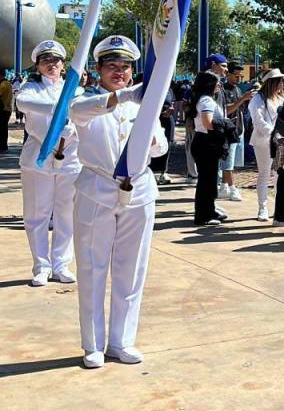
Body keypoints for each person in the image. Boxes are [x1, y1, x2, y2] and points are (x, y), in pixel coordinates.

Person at [69, 35, 167, 368]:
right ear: (98, 70)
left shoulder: (144, 105)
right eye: (112, 66)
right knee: (92, 269)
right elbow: (77, 112)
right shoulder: (86, 101)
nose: (119, 72)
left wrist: (152, 140)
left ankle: (122, 340)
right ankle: (93, 344)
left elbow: (162, 147)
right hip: (96, 189)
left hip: (138, 191)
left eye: (125, 67)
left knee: (132, 269)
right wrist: (124, 95)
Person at [16, 40, 82, 286]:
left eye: (55, 60)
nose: (51, 64)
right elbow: (23, 104)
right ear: (38, 65)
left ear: (64, 64)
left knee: (66, 214)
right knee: (37, 214)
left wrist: (72, 129)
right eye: (46, 60)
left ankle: (61, 264)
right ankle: (41, 266)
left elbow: (85, 115)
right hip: (39, 158)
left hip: (70, 159)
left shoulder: (75, 89)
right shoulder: (30, 87)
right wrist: (60, 108)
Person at [188, 72, 228, 226]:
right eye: (218, 83)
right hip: (206, 142)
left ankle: (209, 210)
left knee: (210, 180)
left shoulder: (203, 99)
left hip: (203, 141)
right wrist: (223, 127)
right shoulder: (206, 101)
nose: (219, 86)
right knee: (206, 180)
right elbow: (207, 122)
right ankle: (203, 215)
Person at [249, 68, 284, 221]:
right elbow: (257, 120)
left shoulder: (281, 98)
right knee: (264, 173)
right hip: (264, 141)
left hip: (281, 141)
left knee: (280, 175)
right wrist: (272, 134)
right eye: (279, 81)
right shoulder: (258, 98)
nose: (282, 84)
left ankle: (279, 208)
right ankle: (262, 208)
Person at [219, 62, 254, 202]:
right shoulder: (224, 90)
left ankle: (223, 186)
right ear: (228, 74)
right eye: (236, 76)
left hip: (238, 129)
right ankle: (232, 187)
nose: (239, 79)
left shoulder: (237, 89)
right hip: (228, 131)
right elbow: (227, 110)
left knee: (232, 161)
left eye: (241, 76)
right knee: (229, 163)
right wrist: (242, 99)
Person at [0, 72, 13, 151]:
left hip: (3, 109)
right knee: (3, 128)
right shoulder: (7, 83)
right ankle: (3, 146)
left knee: (2, 129)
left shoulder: (4, 84)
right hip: (6, 109)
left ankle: (2, 146)